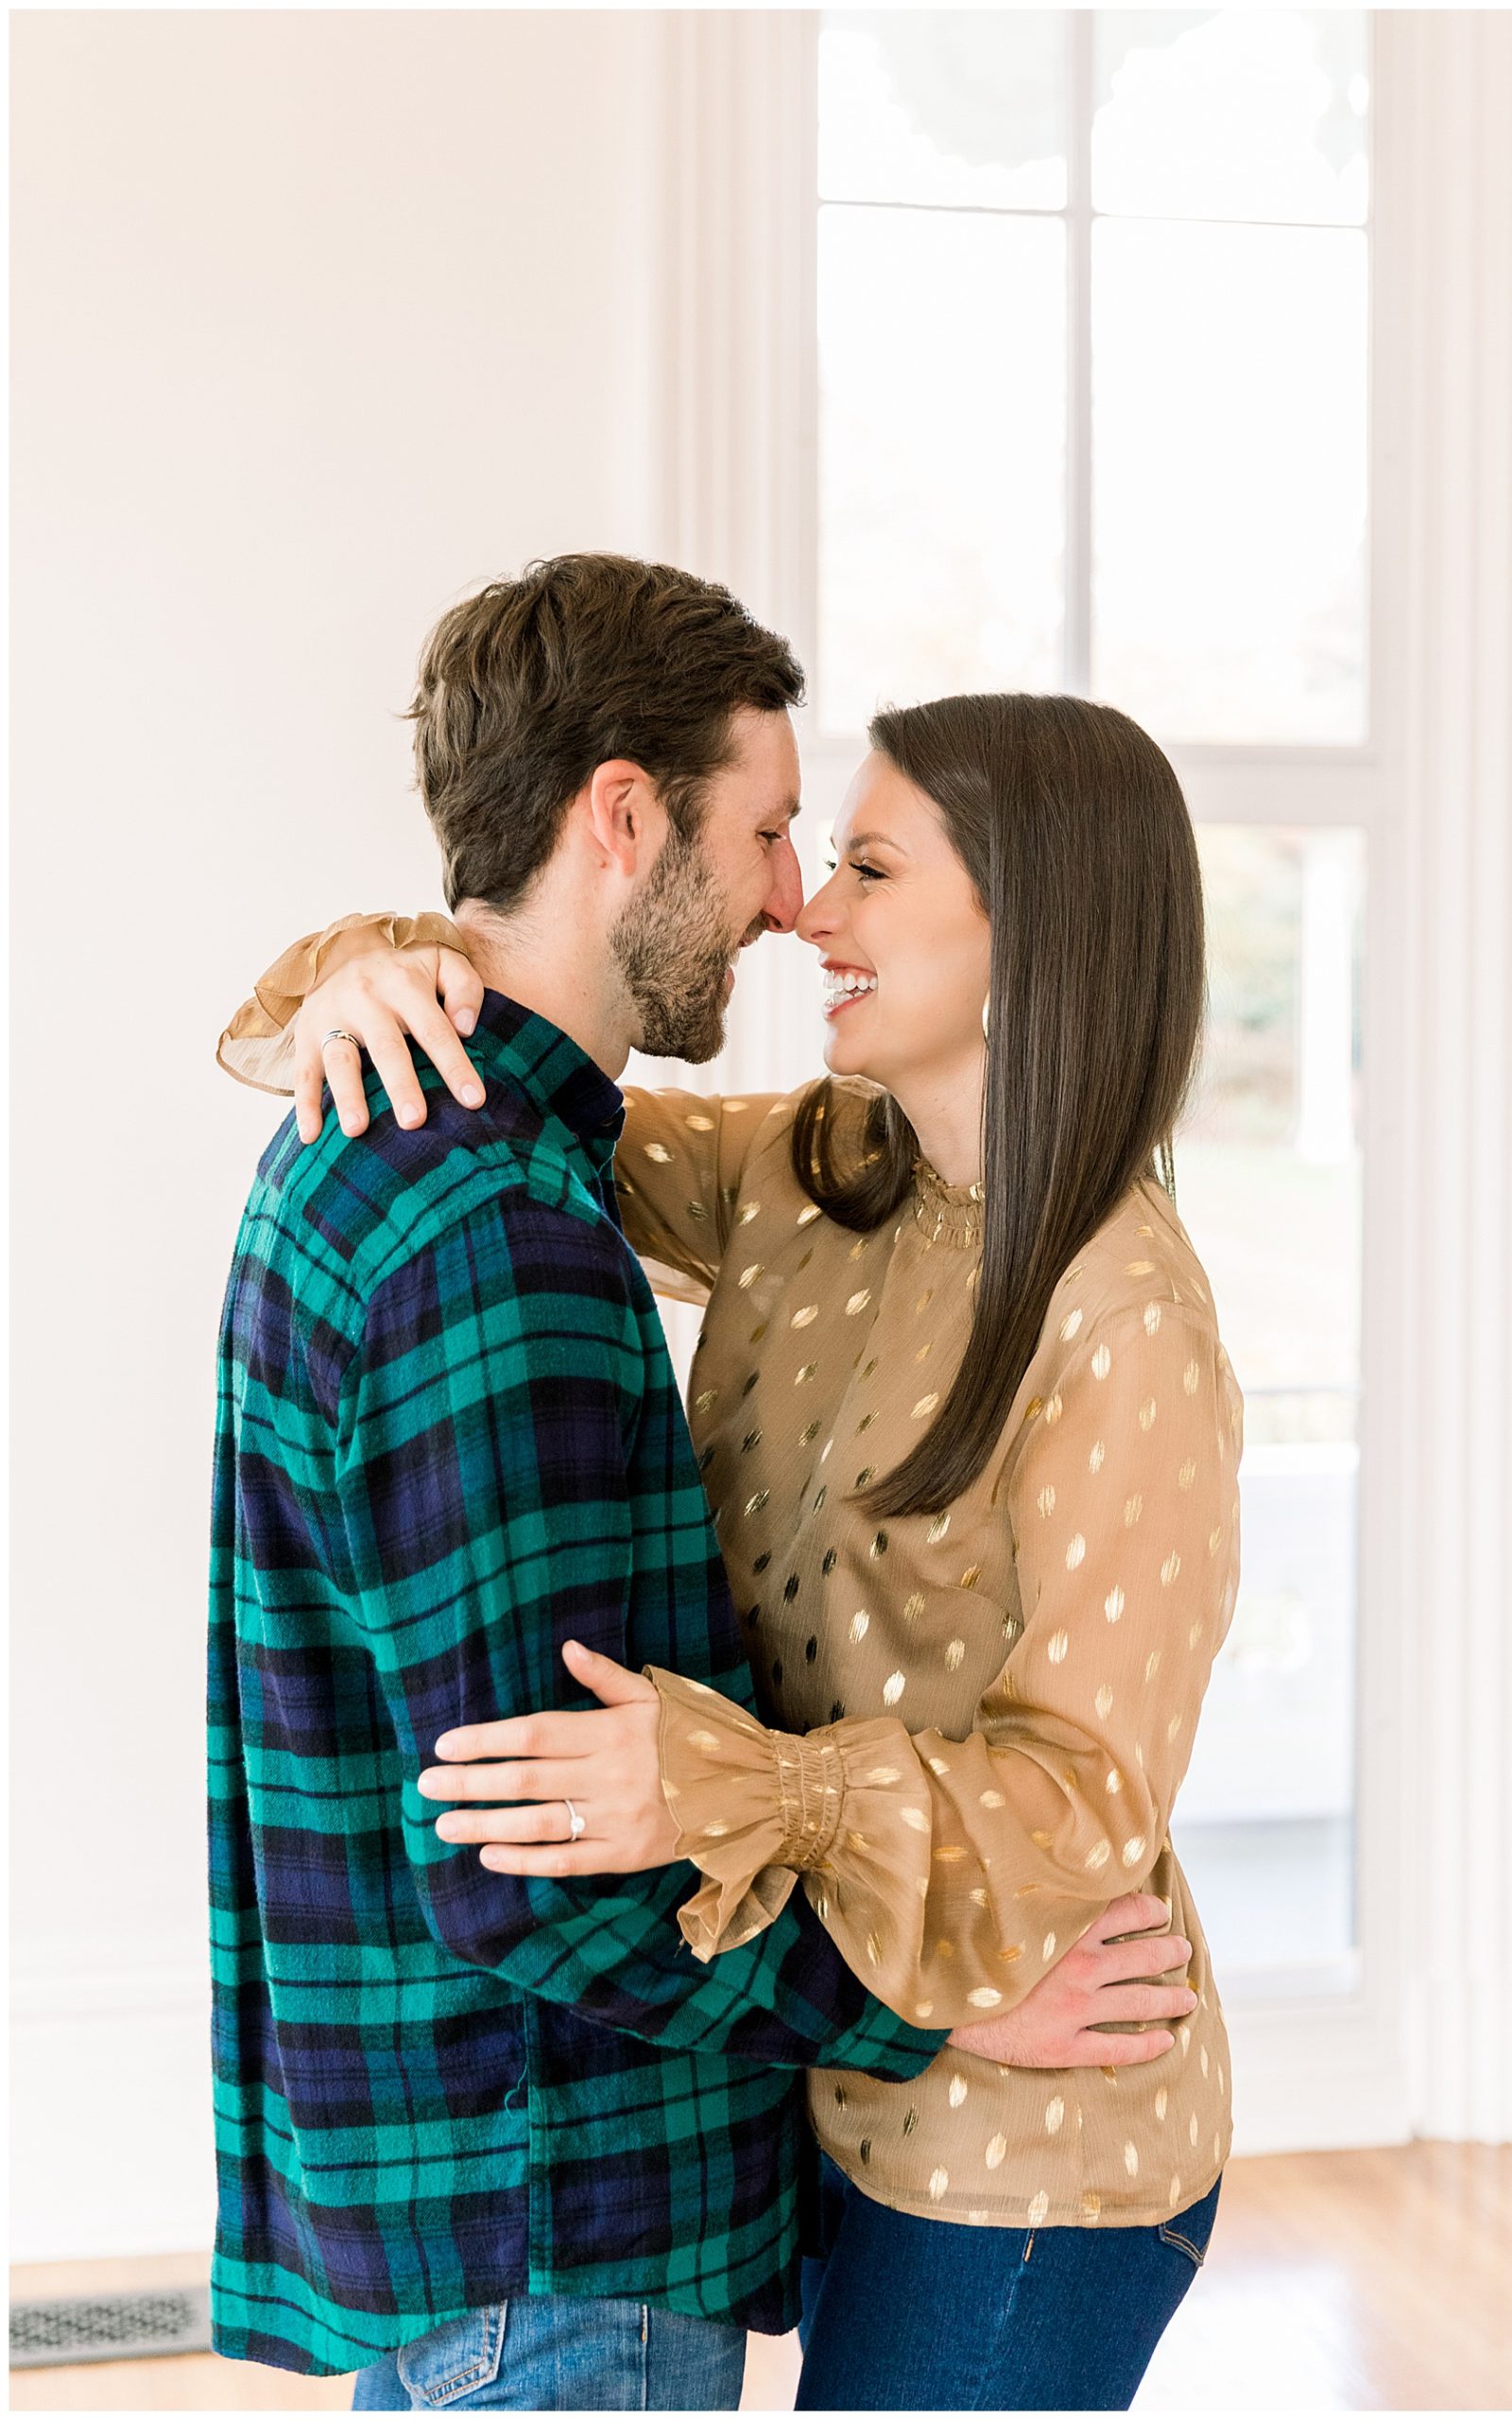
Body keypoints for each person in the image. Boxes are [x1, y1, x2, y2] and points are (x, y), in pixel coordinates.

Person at [209, 553, 1195, 2411]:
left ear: (1035, 930)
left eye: (857, 864)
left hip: (902, 2118)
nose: (786, 900)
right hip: (561, 2186)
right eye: (770, 832)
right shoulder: (559, 1210)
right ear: (619, 814)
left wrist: (775, 1803)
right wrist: (354, 969)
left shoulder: (446, 1159)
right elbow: (539, 1871)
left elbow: (1071, 1786)